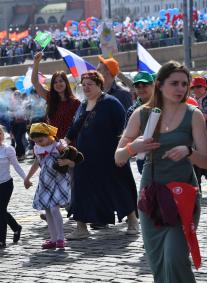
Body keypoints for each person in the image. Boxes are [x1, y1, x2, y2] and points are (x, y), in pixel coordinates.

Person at [115, 61, 207, 282]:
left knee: (176, 257)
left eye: (184, 84)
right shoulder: (142, 114)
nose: (180, 89)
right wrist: (133, 147)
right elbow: (118, 157)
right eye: (174, 83)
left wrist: (188, 151)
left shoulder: (193, 114)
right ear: (159, 84)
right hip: (152, 195)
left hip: (183, 193)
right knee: (158, 260)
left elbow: (206, 162)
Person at [65, 71, 138, 240]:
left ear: (100, 85)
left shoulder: (111, 103)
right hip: (84, 157)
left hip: (109, 155)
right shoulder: (83, 104)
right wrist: (65, 140)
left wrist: (123, 152)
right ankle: (81, 227)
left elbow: (123, 130)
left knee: (118, 187)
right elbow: (75, 127)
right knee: (81, 190)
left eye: (90, 84)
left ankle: (133, 221)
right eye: (83, 85)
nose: (86, 88)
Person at [24, 123, 74, 250]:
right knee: (47, 209)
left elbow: (74, 161)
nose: (39, 143)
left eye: (41, 140)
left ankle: (61, 238)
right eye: (36, 141)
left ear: (49, 136)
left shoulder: (59, 146)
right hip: (45, 182)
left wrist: (67, 161)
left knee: (53, 208)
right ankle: (53, 238)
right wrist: (27, 177)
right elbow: (36, 163)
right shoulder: (37, 148)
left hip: (59, 181)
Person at [0, 122, 26, 249]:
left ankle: (1, 240)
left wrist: (26, 178)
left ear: (3, 135)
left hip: (6, 184)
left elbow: (16, 165)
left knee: (1, 211)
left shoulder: (8, 149)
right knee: (1, 211)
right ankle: (16, 227)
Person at [31, 52, 80, 139]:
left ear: (66, 83)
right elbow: (35, 82)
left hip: (70, 143)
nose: (58, 84)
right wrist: (36, 62)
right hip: (53, 143)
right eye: (55, 82)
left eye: (61, 81)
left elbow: (78, 125)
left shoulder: (75, 102)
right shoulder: (50, 97)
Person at [126, 71, 155, 173]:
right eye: (138, 86)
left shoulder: (163, 104)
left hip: (163, 153)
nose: (141, 88)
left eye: (145, 85)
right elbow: (127, 137)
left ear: (153, 85)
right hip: (143, 157)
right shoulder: (132, 110)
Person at [191, 77, 207, 164]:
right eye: (193, 87)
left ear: (205, 87)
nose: (196, 89)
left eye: (199, 87)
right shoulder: (192, 100)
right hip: (201, 136)